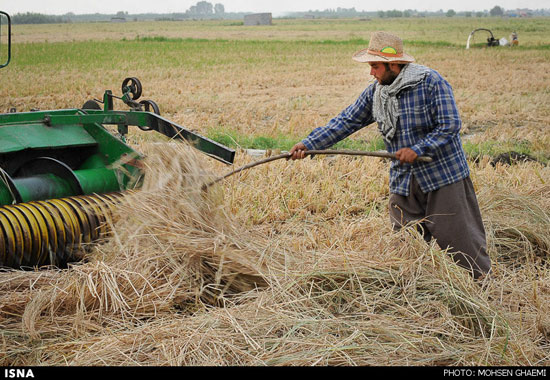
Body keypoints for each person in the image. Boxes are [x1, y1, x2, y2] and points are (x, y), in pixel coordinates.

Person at [289, 31, 491, 279]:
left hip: (442, 177)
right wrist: (308, 144)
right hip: (404, 181)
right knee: (405, 244)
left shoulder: (430, 82)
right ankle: (415, 293)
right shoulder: (377, 92)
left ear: (393, 64)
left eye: (375, 66)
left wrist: (418, 149)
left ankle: (483, 287)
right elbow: (345, 122)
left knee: (461, 241)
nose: (371, 73)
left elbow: (449, 125)